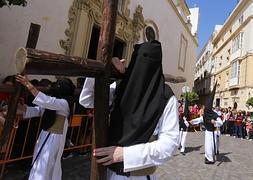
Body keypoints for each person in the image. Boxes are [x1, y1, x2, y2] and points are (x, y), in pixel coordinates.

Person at [79, 41, 179, 179]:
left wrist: (126, 154)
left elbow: (170, 144)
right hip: (109, 173)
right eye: (138, 58)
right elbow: (88, 100)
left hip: (139, 176)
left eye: (147, 59)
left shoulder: (166, 96)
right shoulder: (121, 85)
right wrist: (104, 69)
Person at [16, 75, 75, 180]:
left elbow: (47, 101)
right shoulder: (56, 102)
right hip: (46, 133)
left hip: (55, 137)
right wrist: (24, 108)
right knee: (40, 160)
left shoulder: (65, 103)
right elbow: (39, 110)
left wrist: (29, 85)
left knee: (48, 162)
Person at [203, 83, 223, 164]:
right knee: (207, 146)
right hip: (207, 132)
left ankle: (210, 159)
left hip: (212, 132)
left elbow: (220, 123)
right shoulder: (206, 115)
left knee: (210, 145)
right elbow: (201, 119)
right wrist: (192, 122)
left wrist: (215, 122)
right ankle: (207, 157)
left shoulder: (214, 114)